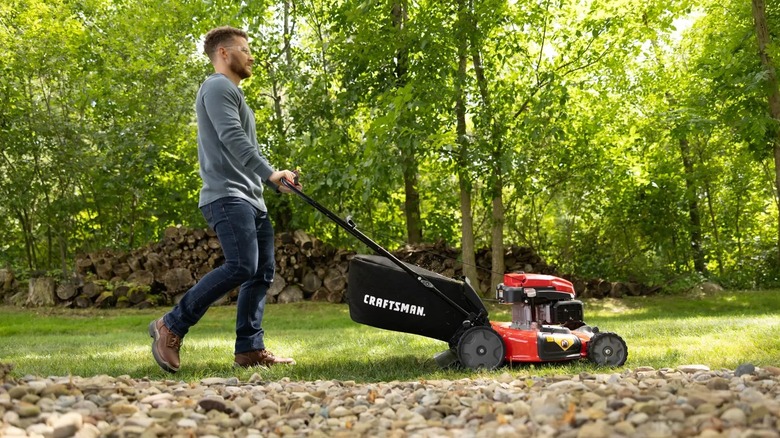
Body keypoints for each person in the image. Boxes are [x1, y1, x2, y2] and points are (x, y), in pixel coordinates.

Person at [149, 25, 300, 373]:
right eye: (244, 49)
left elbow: (242, 146)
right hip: (227, 195)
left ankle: (249, 349)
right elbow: (232, 136)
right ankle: (171, 324)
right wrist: (269, 172)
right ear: (223, 53)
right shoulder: (217, 86)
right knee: (242, 265)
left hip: (250, 198)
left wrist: (272, 180)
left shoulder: (233, 93)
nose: (250, 57)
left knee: (260, 272)